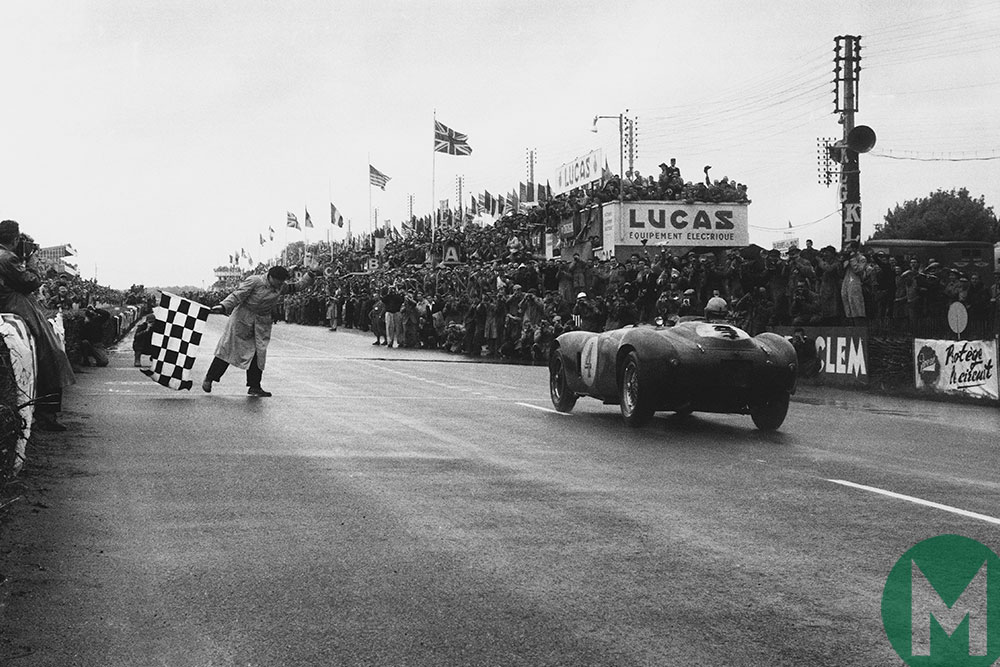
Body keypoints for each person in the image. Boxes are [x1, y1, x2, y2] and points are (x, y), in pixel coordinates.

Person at [0, 220, 75, 430]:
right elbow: (31, 282)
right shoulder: (7, 257)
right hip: (16, 305)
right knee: (52, 354)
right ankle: (47, 415)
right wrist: (32, 260)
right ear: (15, 239)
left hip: (10, 303)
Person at [202, 265, 313, 397]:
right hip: (242, 320)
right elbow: (237, 295)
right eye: (279, 281)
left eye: (282, 281)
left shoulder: (280, 286)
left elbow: (297, 286)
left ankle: (255, 386)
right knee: (229, 350)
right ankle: (210, 378)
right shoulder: (254, 281)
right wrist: (223, 306)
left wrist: (311, 274)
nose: (281, 284)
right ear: (270, 277)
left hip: (261, 324)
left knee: (258, 353)